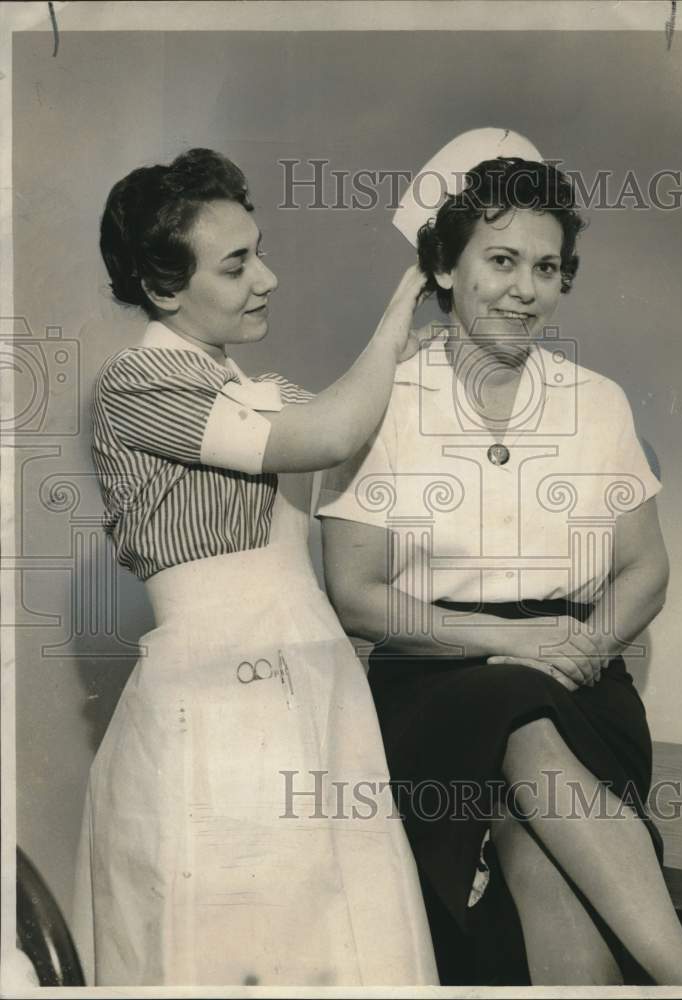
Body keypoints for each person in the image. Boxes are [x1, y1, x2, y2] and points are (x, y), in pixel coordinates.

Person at [317, 129, 682, 986]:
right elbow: (354, 594)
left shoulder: (595, 402)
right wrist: (508, 643)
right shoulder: (383, 405)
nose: (526, 290)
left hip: (583, 682)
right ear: (445, 269)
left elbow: (645, 569)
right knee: (512, 708)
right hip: (428, 688)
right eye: (501, 261)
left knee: (535, 845)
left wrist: (577, 646)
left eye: (547, 268)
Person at [71, 147, 438, 987]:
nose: (267, 277)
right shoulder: (139, 385)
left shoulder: (247, 384)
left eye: (259, 250)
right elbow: (333, 434)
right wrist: (402, 307)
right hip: (219, 703)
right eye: (237, 264)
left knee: (341, 941)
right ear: (165, 289)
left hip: (313, 679)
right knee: (248, 948)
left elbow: (368, 423)